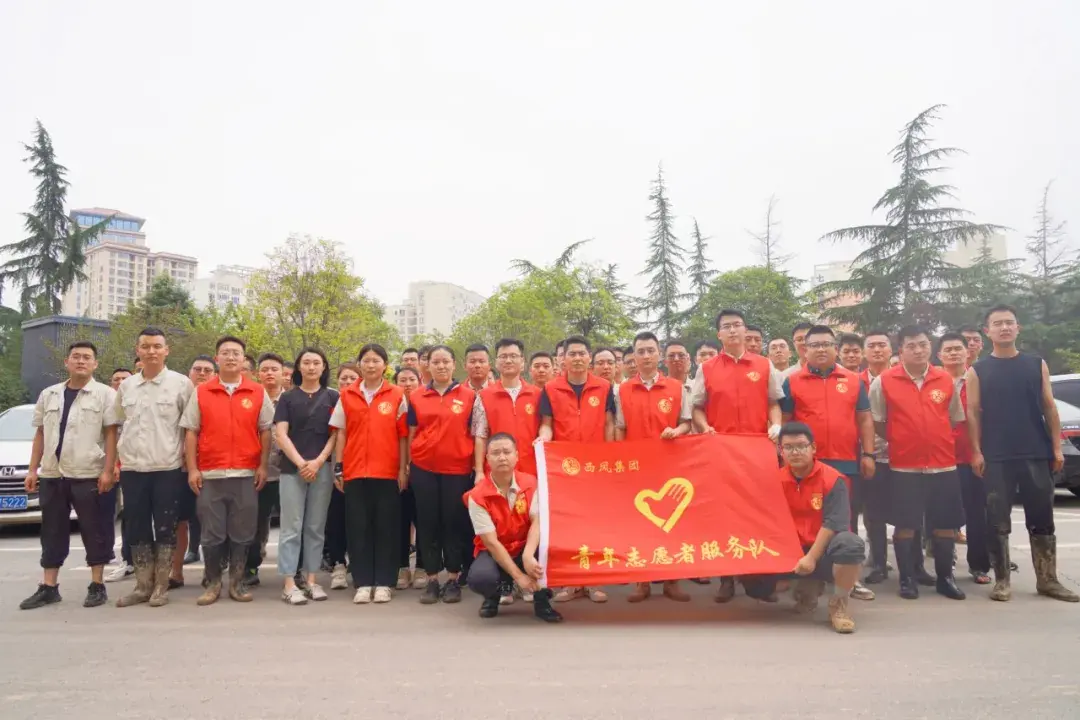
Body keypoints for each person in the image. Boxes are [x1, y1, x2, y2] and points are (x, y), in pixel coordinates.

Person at [966, 305, 1077, 603]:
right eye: (997, 323)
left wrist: (1056, 447)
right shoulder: (978, 370)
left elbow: (1049, 406)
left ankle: (1048, 580)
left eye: (1009, 323)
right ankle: (1002, 581)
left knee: (1042, 517)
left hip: (1035, 451)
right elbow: (972, 412)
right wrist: (976, 451)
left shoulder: (1035, 364)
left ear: (1018, 328)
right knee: (997, 520)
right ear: (987, 331)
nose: (1004, 328)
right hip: (996, 455)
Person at [691, 309, 784, 602]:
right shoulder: (706, 369)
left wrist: (776, 424)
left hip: (758, 453)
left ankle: (758, 579)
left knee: (757, 515)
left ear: (746, 331)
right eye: (727, 327)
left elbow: (773, 402)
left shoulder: (764, 365)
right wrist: (705, 428)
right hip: (722, 453)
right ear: (719, 334)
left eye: (737, 325)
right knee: (725, 516)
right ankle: (727, 579)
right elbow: (696, 407)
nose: (732, 330)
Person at [780, 325, 876, 602]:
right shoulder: (792, 382)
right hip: (805, 464)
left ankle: (849, 579)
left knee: (845, 520)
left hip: (845, 461)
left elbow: (864, 419)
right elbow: (784, 423)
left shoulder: (853, 380)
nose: (821, 349)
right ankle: (805, 573)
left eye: (826, 344)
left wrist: (868, 454)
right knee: (804, 518)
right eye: (815, 345)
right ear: (805, 349)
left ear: (835, 348)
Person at [20, 342, 120, 610]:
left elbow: (111, 434)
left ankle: (97, 585)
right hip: (53, 473)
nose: (81, 361)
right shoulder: (49, 394)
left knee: (94, 530)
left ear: (95, 364)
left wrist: (108, 469)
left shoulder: (105, 394)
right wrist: (33, 469)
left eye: (87, 357)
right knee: (52, 531)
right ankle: (49, 587)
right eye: (76, 356)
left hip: (88, 472)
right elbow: (40, 433)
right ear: (67, 362)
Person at [869, 326, 966, 601]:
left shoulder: (944, 379)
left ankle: (945, 579)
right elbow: (877, 421)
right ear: (901, 351)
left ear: (930, 347)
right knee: (905, 525)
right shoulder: (884, 381)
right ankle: (907, 579)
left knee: (945, 524)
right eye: (911, 346)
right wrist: (901, 438)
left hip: (943, 464)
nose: (918, 350)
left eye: (923, 344)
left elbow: (954, 418)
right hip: (904, 466)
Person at [743, 422, 866, 634]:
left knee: (850, 545)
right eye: (788, 447)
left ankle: (839, 605)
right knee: (751, 578)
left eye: (801, 446)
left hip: (823, 551)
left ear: (813, 448)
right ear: (780, 451)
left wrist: (811, 558)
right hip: (788, 551)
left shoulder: (833, 479)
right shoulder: (774, 481)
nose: (795, 452)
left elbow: (833, 523)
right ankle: (805, 588)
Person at [182, 336, 274, 605]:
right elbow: (191, 431)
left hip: (246, 474)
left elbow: (266, 431)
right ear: (217, 358)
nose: (231, 357)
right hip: (210, 474)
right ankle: (212, 583)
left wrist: (263, 465)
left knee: (243, 532)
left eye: (236, 353)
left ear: (244, 359)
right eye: (225, 353)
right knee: (211, 533)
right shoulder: (202, 392)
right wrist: (192, 469)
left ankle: (236, 583)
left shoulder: (257, 391)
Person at [114, 328, 195, 608]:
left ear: (166, 350)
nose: (151, 351)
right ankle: (142, 585)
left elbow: (190, 427)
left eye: (157, 346)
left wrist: (188, 463)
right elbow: (119, 423)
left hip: (167, 467)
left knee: (165, 527)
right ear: (138, 350)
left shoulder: (181, 384)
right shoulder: (126, 386)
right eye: (146, 346)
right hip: (133, 468)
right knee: (136, 527)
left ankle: (161, 585)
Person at [538, 335, 615, 604]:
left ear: (589, 357)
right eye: (572, 354)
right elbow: (547, 424)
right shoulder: (551, 388)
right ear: (563, 359)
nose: (578, 358)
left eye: (582, 353)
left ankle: (594, 582)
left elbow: (609, 424)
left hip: (595, 466)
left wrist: (610, 456)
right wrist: (543, 439)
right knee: (568, 525)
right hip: (565, 468)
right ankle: (571, 583)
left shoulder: (604, 387)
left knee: (595, 522)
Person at [617, 332, 693, 602]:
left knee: (673, 524)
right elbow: (620, 427)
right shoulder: (623, 390)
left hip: (670, 465)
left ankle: (672, 581)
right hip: (637, 467)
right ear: (633, 357)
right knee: (639, 524)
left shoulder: (676, 387)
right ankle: (642, 582)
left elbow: (687, 422)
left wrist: (676, 431)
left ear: (659, 354)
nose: (646, 356)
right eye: (641, 351)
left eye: (651, 350)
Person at [330, 344, 407, 605]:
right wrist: (339, 466)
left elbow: (403, 436)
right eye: (366, 360)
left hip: (387, 472)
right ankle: (362, 582)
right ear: (360, 364)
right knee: (358, 528)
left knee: (386, 528)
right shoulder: (347, 395)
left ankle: (384, 581)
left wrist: (402, 469)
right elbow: (341, 432)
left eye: (376, 360)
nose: (371, 365)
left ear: (385, 365)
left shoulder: (397, 394)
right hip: (354, 471)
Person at [472, 338, 542, 605]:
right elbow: (480, 435)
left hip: (530, 474)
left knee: (531, 526)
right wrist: (480, 471)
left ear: (523, 361)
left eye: (514, 356)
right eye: (503, 356)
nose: (509, 360)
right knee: (500, 527)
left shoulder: (537, 394)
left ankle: (529, 580)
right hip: (498, 475)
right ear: (496, 362)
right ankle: (504, 584)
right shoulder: (484, 396)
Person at [464, 433, 562, 622]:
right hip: (495, 550)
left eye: (507, 452)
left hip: (525, 546)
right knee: (481, 578)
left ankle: (542, 601)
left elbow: (537, 521)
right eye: (496, 453)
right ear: (487, 459)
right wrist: (519, 577)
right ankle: (493, 595)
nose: (502, 457)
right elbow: (491, 543)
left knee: (548, 556)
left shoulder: (531, 483)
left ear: (516, 456)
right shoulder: (477, 496)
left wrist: (528, 555)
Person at [408, 345, 477, 604]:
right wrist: (409, 464)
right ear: (428, 365)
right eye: (435, 362)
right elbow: (412, 431)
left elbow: (475, 433)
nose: (440, 366)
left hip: (457, 469)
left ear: (454, 364)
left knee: (453, 523)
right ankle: (432, 579)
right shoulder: (417, 396)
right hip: (423, 468)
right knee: (427, 523)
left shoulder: (469, 396)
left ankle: (453, 578)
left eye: (445, 361)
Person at [939, 333, 990, 585]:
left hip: (973, 456)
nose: (953, 353)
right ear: (939, 355)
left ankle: (979, 565)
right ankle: (944, 564)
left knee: (976, 513)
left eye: (957, 349)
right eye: (947, 349)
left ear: (967, 352)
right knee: (944, 514)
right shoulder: (934, 381)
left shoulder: (978, 379)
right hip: (942, 458)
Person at [244, 353, 287, 589]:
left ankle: (294, 570)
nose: (270, 373)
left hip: (287, 473)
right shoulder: (251, 399)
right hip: (257, 472)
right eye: (265, 369)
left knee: (291, 523)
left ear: (283, 373)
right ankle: (251, 566)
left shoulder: (291, 401)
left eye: (274, 369)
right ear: (258, 373)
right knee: (254, 523)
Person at [859, 330, 894, 585]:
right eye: (872, 346)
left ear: (891, 350)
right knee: (874, 513)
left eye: (882, 345)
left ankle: (913, 566)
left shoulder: (902, 378)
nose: (878, 350)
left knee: (909, 513)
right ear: (864, 352)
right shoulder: (854, 381)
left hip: (902, 456)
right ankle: (879, 563)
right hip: (870, 455)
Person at [181, 355, 217, 565]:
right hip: (182, 462)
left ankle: (214, 555)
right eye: (197, 369)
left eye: (207, 370)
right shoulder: (181, 395)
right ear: (190, 373)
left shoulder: (216, 396)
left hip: (211, 462)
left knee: (212, 511)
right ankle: (192, 549)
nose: (202, 373)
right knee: (189, 510)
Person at [394, 367, 426, 590]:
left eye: (411, 379)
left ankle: (422, 566)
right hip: (395, 469)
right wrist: (402, 467)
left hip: (422, 468)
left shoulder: (424, 403)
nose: (407, 384)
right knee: (400, 519)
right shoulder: (393, 405)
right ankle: (402, 567)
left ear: (419, 381)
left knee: (422, 519)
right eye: (402, 380)